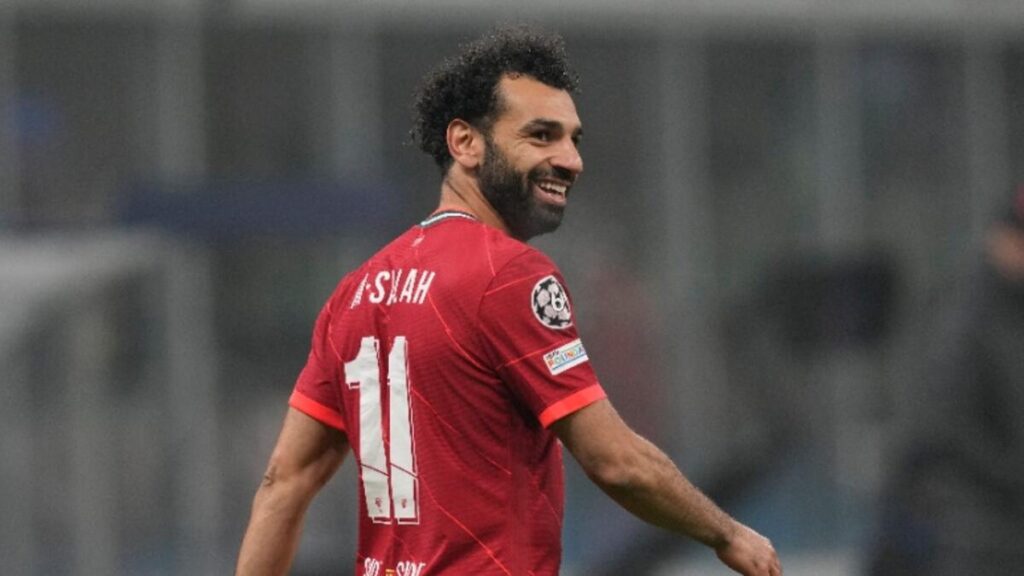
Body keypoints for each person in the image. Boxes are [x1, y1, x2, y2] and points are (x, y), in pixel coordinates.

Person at [236, 25, 781, 576]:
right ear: (465, 143)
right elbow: (614, 461)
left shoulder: (354, 293)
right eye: (541, 136)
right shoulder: (510, 275)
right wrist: (728, 534)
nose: (571, 160)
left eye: (573, 139)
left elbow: (284, 481)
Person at [866, 187, 1024, 576]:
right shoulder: (965, 315)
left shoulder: (1006, 307)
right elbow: (944, 428)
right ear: (1003, 236)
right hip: (974, 533)